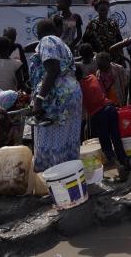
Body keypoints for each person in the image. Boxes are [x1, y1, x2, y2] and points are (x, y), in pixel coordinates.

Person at [29, 19, 83, 172]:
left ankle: (58, 178)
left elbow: (53, 69)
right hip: (71, 93)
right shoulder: (62, 44)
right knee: (67, 137)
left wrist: (39, 99)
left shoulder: (47, 41)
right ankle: (70, 177)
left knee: (53, 137)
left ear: (39, 34)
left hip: (58, 98)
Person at [75, 65, 130, 180]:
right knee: (116, 138)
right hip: (110, 108)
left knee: (106, 145)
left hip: (99, 115)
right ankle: (125, 164)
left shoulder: (77, 88)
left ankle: (118, 167)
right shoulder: (92, 77)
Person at [82, 0, 124, 64]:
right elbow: (85, 41)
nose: (104, 12)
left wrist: (122, 57)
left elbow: (119, 40)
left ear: (108, 9)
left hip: (115, 58)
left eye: (105, 9)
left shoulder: (113, 23)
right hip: (99, 58)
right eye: (101, 10)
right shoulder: (92, 24)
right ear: (97, 10)